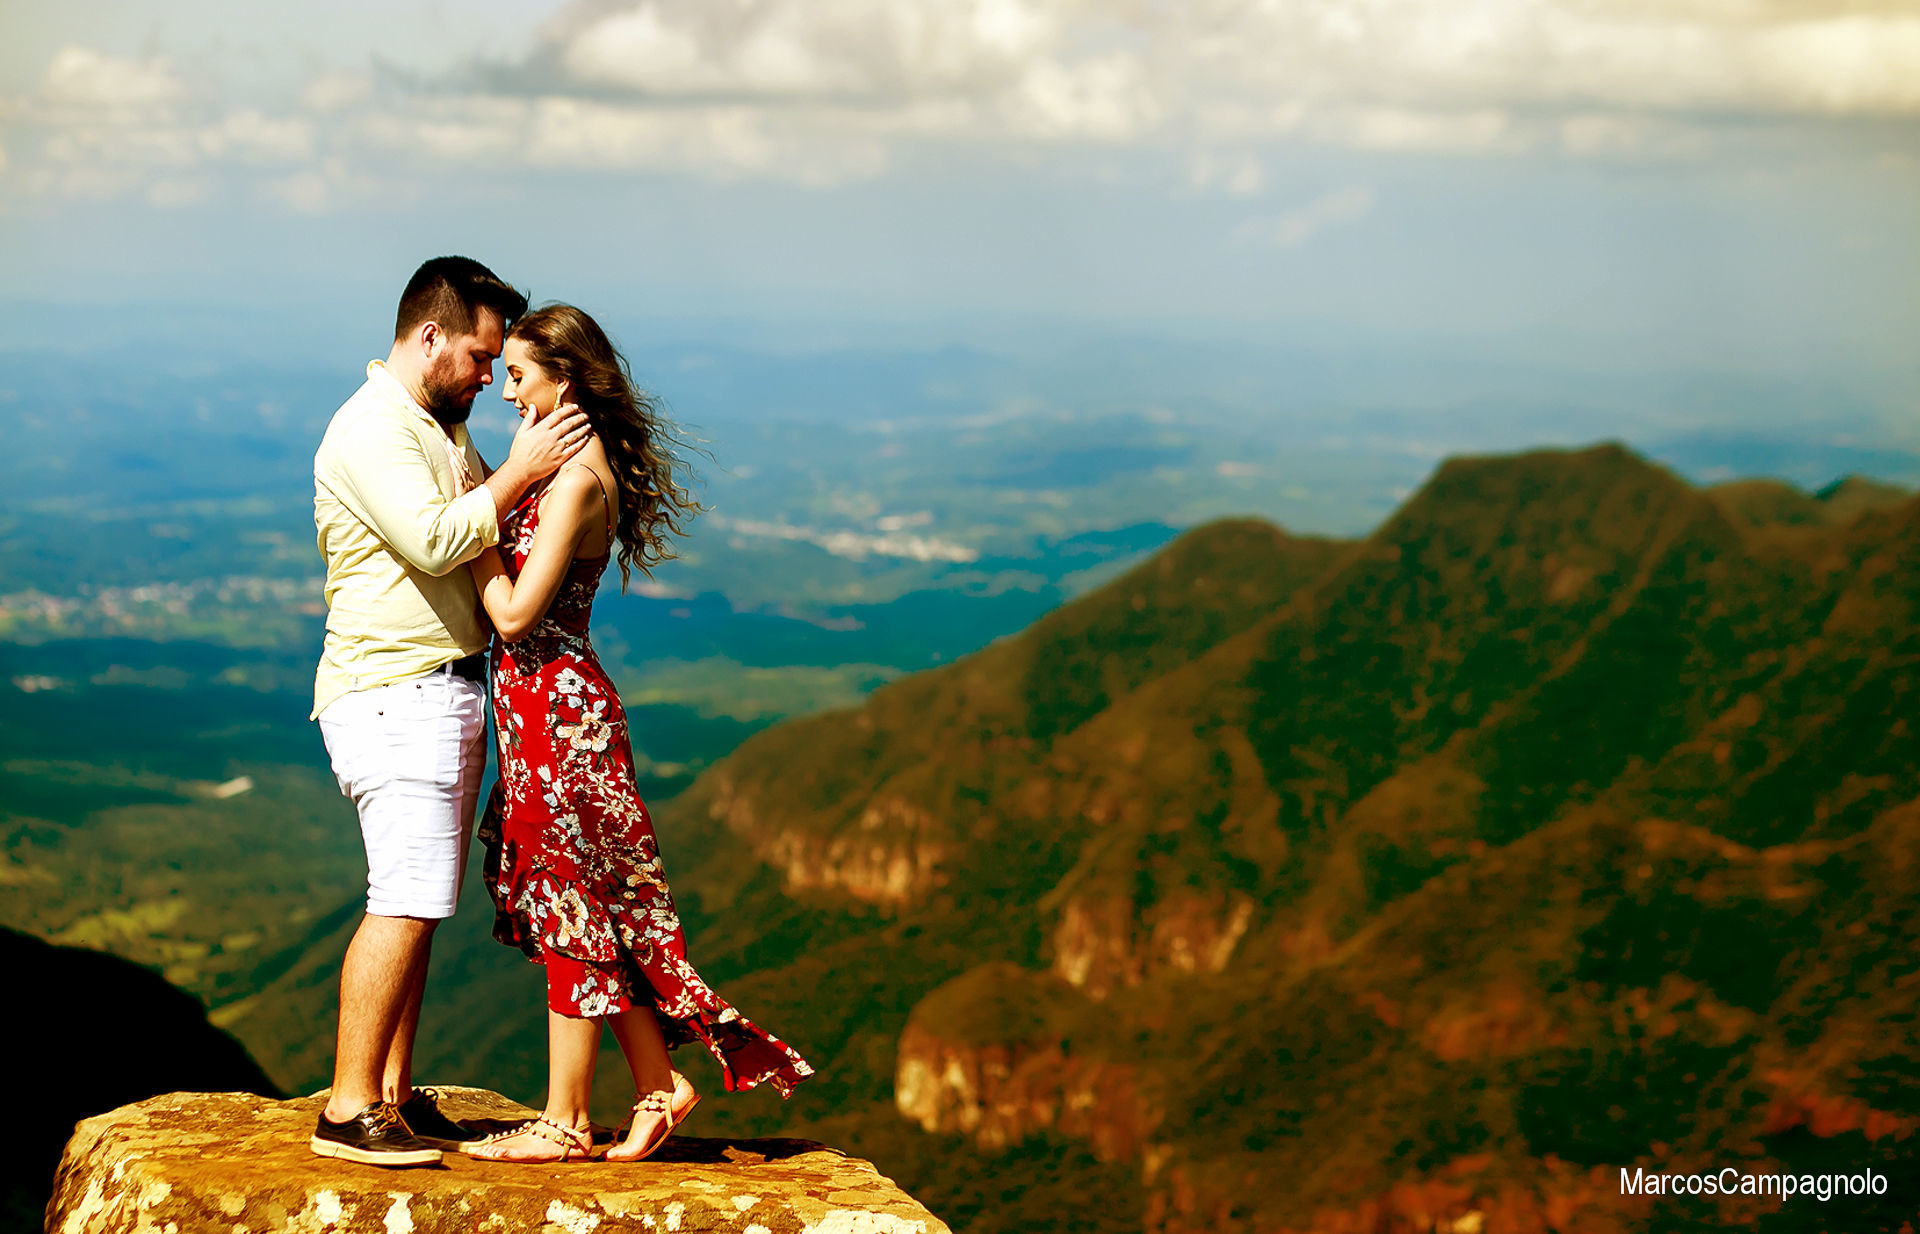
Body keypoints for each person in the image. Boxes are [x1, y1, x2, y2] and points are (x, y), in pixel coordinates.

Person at [462, 303, 812, 1164]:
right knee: (592, 908)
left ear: (564, 379)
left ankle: (565, 1121)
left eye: (519, 374)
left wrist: (472, 528)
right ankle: (659, 1085)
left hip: (557, 722)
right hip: (545, 721)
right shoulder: (563, 462)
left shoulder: (576, 480)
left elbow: (514, 615)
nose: (506, 391)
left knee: (571, 911)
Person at [309, 257, 594, 1166]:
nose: (487, 376)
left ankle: (389, 1093)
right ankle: (349, 1107)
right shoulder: (372, 430)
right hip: (397, 692)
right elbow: (437, 540)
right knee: (402, 896)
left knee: (423, 900)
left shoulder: (437, 427)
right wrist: (521, 473)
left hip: (438, 689)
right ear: (430, 337)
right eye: (478, 356)